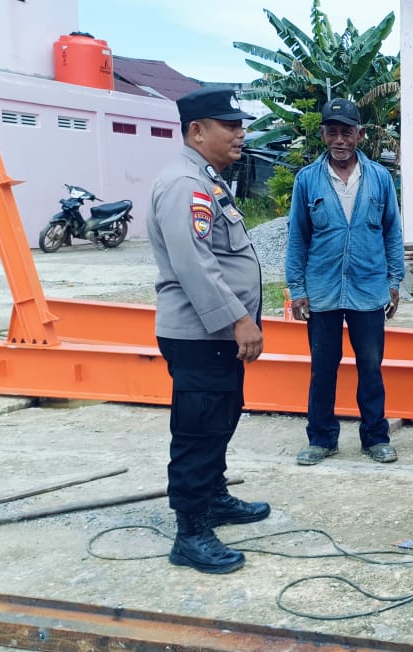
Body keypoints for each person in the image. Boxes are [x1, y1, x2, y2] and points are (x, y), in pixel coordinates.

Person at [146, 88, 272, 575]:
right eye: (230, 125)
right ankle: (191, 532)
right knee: (198, 430)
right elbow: (194, 264)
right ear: (197, 130)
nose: (241, 133)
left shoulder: (205, 179)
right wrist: (238, 318)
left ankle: (214, 497)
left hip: (212, 335)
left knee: (219, 418)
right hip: (200, 333)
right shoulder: (184, 184)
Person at [286, 98, 405, 466]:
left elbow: (392, 232)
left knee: (370, 366)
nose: (340, 140)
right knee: (323, 367)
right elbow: (298, 238)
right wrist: (297, 289)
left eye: (347, 132)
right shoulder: (307, 180)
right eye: (333, 132)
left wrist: (394, 280)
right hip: (322, 291)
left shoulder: (380, 179)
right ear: (323, 134)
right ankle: (321, 439)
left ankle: (375, 437)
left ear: (360, 135)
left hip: (369, 289)